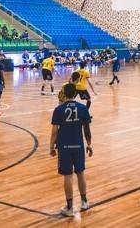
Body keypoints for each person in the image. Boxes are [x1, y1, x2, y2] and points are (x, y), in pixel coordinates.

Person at [50, 82, 93, 216]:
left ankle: (69, 208)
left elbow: (54, 131)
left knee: (67, 176)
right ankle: (84, 202)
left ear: (64, 94)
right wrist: (89, 144)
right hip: (78, 145)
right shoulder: (82, 108)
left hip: (64, 147)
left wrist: (51, 147)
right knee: (80, 173)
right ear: (75, 94)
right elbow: (86, 129)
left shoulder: (59, 110)